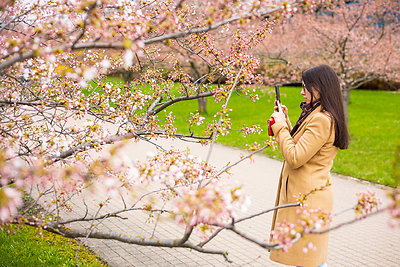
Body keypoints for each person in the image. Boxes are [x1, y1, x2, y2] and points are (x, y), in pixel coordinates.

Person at [268, 65, 349, 267]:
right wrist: (284, 120)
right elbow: (300, 145)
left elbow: (295, 156)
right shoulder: (318, 114)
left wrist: (279, 127)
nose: (302, 92)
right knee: (306, 260)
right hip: (306, 195)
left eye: (306, 87)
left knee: (310, 261)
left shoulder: (322, 119)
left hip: (307, 199)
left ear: (320, 88)